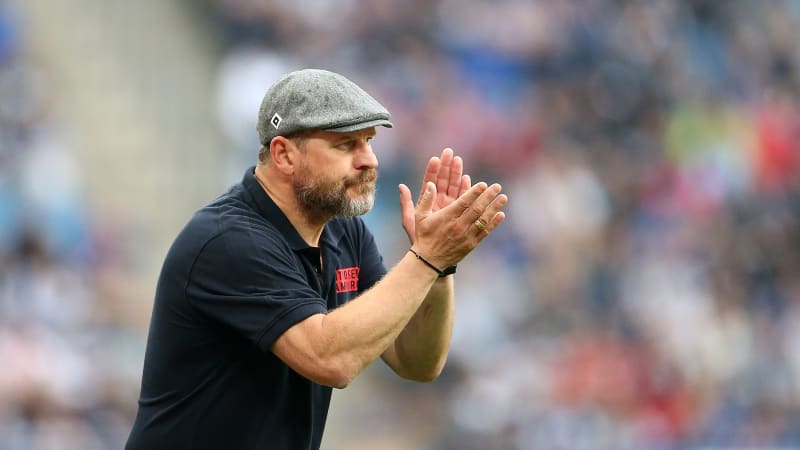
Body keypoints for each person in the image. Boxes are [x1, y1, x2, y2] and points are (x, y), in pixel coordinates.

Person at [125, 68, 508, 450]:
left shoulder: (344, 231)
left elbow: (416, 361)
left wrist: (440, 266)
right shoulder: (228, 241)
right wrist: (426, 256)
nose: (369, 160)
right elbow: (330, 360)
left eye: (369, 141)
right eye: (346, 145)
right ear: (284, 155)